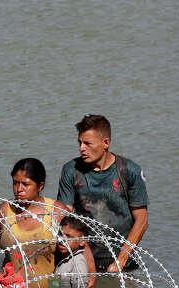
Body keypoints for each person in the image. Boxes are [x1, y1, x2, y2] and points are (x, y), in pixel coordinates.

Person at [0, 158, 94, 288]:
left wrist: (91, 274)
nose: (19, 189)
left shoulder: (55, 212)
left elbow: (80, 242)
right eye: (15, 183)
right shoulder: (4, 212)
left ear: (40, 186)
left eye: (25, 184)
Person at [57, 114, 149, 272]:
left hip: (123, 259)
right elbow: (64, 216)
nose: (81, 148)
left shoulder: (129, 171)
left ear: (105, 143)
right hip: (84, 257)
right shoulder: (71, 170)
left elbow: (142, 220)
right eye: (80, 142)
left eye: (87, 143)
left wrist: (120, 261)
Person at [54, 215, 91, 288]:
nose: (61, 239)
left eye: (68, 236)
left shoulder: (78, 262)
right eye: (60, 234)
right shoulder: (65, 258)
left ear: (82, 241)